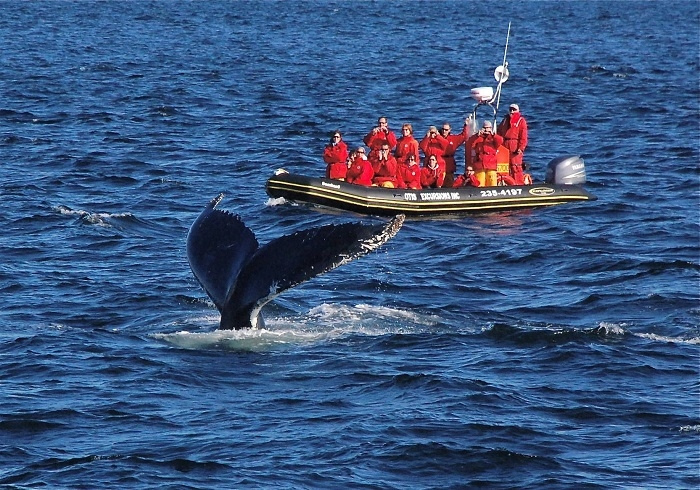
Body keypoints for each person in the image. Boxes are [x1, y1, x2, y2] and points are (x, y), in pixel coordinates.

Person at [497, 103, 528, 184]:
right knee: (505, 166)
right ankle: (508, 183)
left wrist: (521, 148)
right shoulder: (505, 120)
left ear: (518, 111)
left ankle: (519, 184)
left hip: (515, 145)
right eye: (510, 109)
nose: (512, 111)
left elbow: (523, 136)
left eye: (514, 109)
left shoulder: (521, 121)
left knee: (516, 166)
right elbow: (499, 132)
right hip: (504, 145)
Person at [467, 120, 503, 187]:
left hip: (491, 165)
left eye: (488, 128)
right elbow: (470, 143)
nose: (486, 130)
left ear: (491, 128)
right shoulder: (478, 137)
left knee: (492, 183)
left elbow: (500, 141)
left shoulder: (494, 138)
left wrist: (493, 135)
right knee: (480, 183)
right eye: (485, 128)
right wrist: (477, 135)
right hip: (480, 165)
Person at [439, 119, 470, 188]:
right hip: (440, 163)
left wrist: (466, 125)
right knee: (439, 183)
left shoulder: (453, 139)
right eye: (443, 129)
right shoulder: (437, 138)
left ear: (450, 130)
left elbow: (463, 136)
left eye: (446, 130)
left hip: (449, 163)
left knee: (449, 182)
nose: (444, 131)